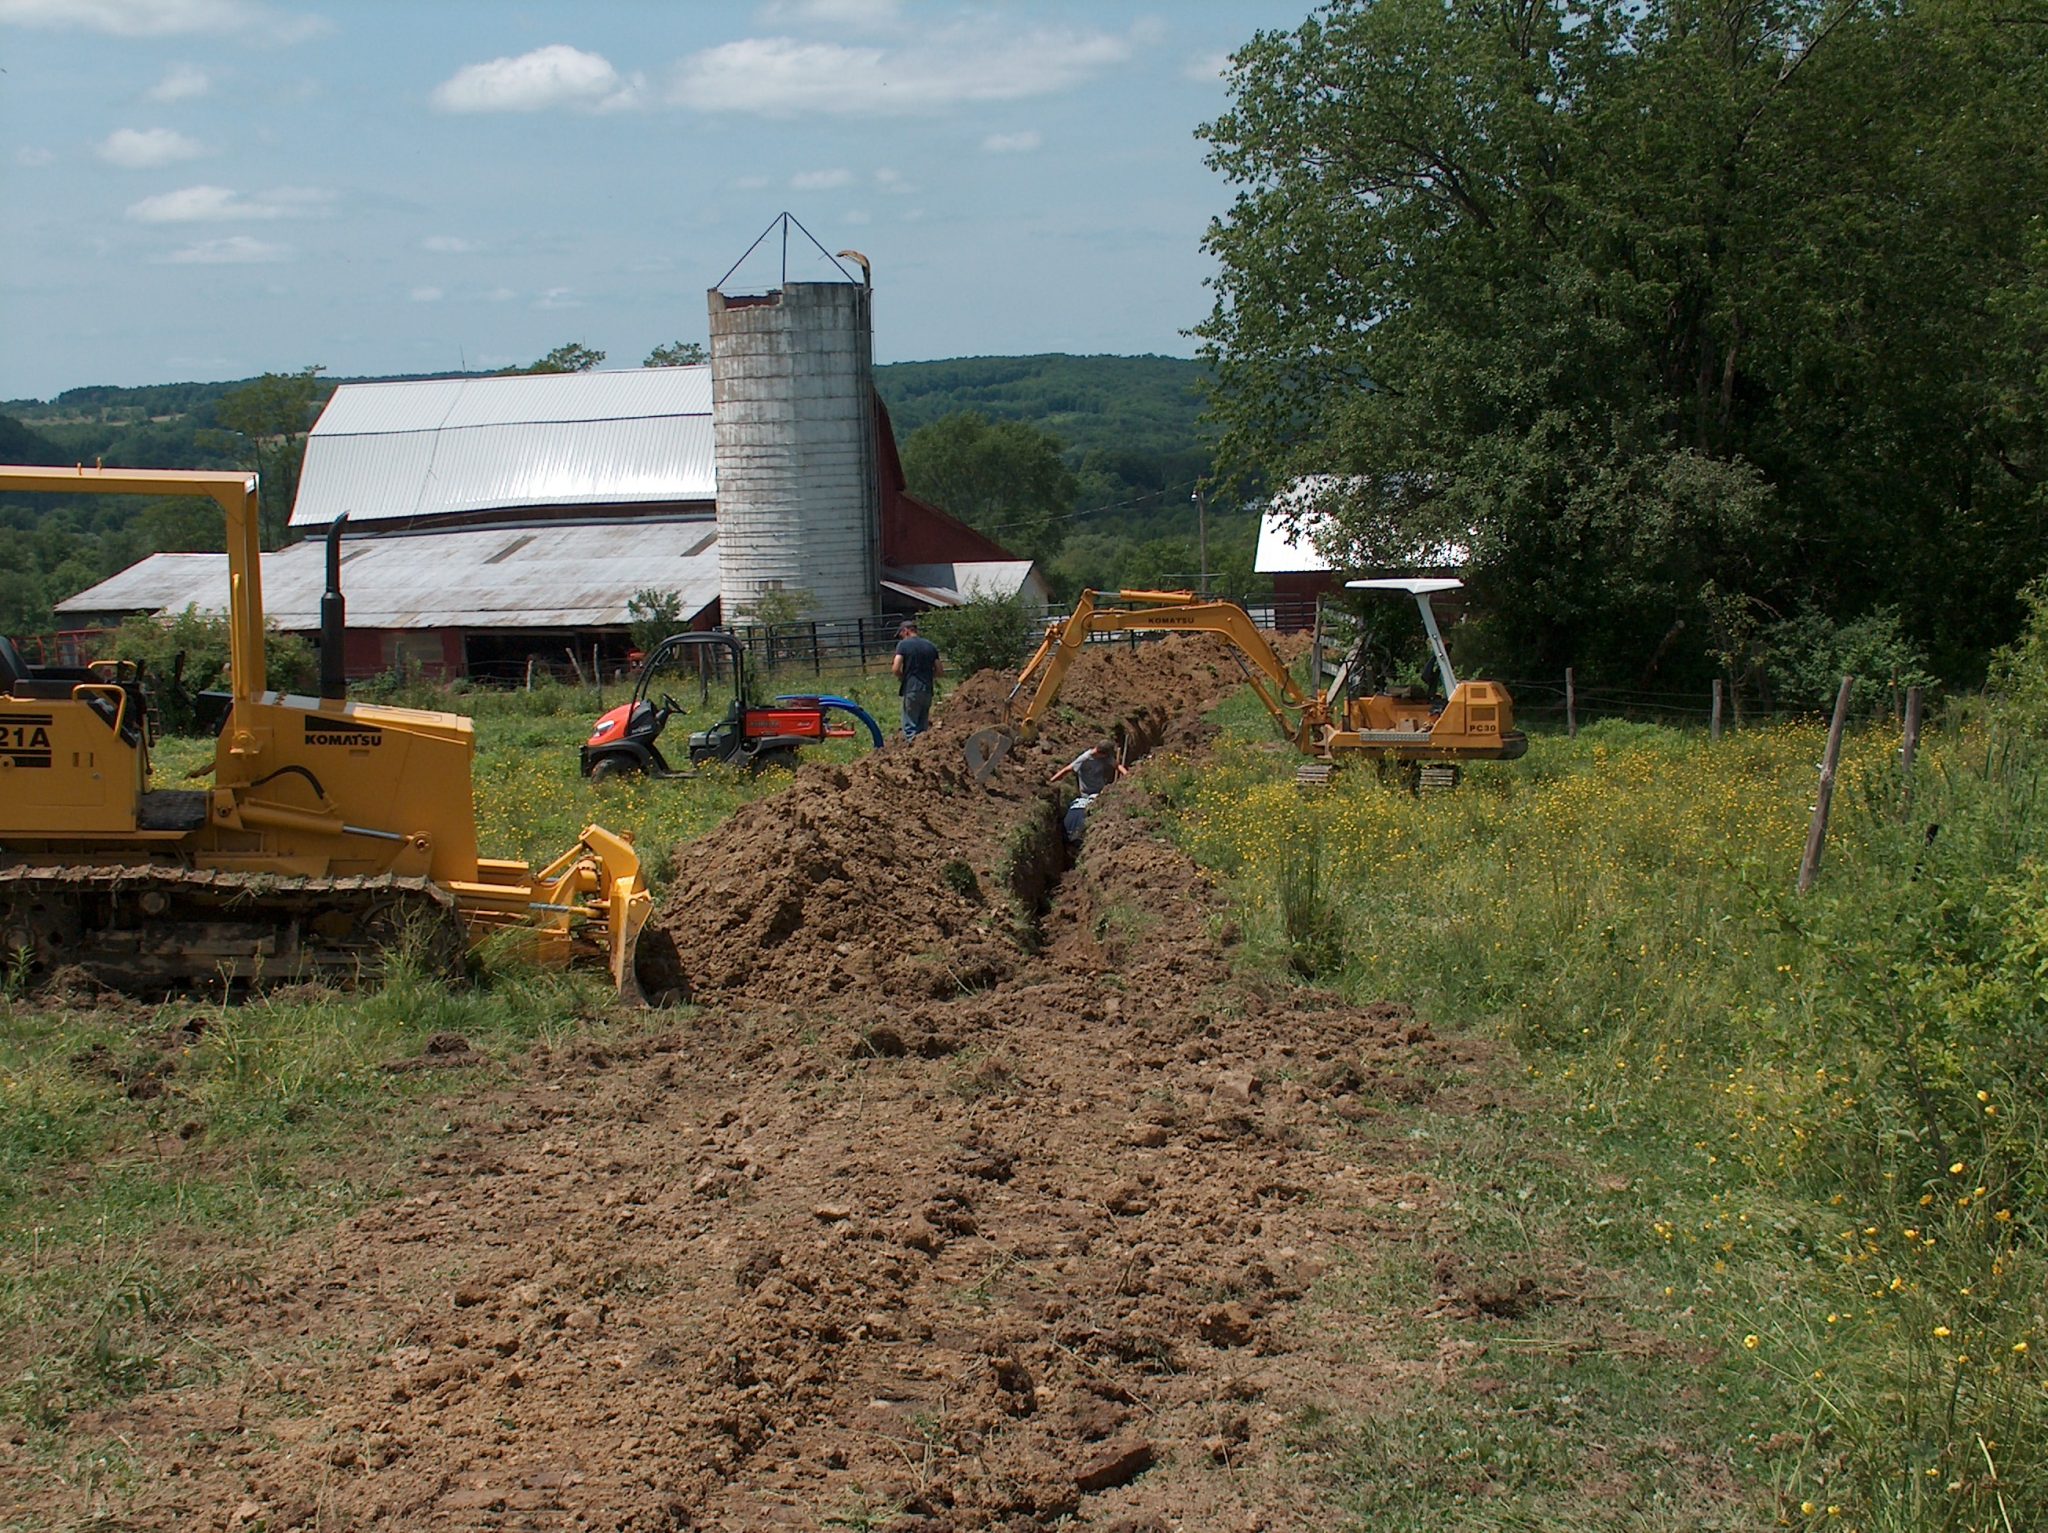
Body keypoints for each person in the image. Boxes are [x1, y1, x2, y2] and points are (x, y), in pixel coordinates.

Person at [1049, 740, 1129, 843]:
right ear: (1101, 753)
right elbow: (1067, 769)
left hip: (1100, 793)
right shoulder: (1084, 759)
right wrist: (1051, 781)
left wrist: (1129, 776)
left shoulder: (1105, 757)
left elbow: (1117, 766)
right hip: (1086, 794)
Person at [891, 618, 941, 740]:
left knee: (910, 727)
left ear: (906, 631)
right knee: (923, 727)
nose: (901, 638)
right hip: (927, 689)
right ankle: (923, 747)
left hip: (912, 688)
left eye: (901, 635)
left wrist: (903, 677)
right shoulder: (930, 646)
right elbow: (940, 671)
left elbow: (896, 668)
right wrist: (928, 677)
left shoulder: (903, 645)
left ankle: (912, 748)